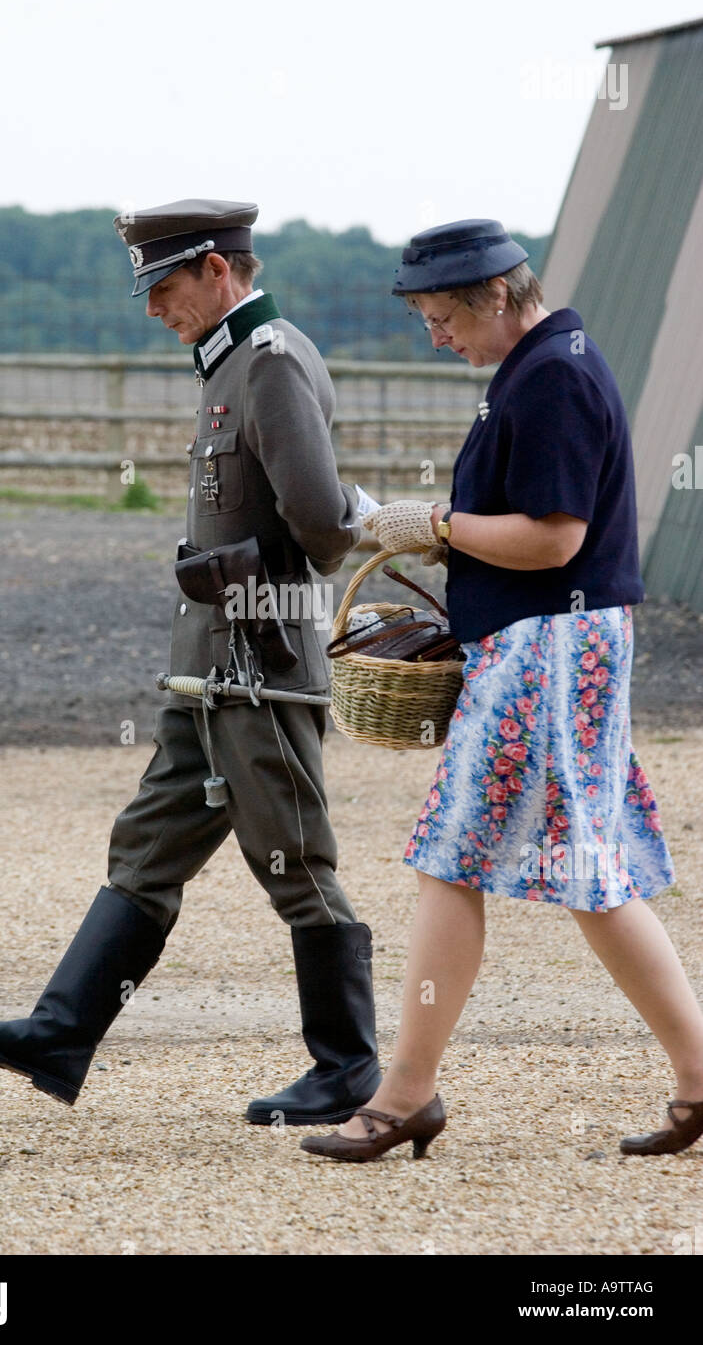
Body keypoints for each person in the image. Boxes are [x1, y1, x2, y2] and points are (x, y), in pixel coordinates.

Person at [0, 199, 380, 1126]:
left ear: (219, 269)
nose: (152, 307)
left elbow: (318, 525)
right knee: (146, 849)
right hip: (213, 668)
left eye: (165, 285)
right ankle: (60, 1035)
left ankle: (348, 1068)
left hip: (260, 664)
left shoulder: (268, 362)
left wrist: (359, 514)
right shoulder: (231, 362)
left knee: (293, 859)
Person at [301, 217, 703, 1162]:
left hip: (546, 647)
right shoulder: (543, 365)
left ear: (494, 296)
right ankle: (698, 1074)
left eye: (442, 316)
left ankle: (405, 1095)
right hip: (564, 642)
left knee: (454, 859)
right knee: (588, 877)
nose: (434, 335)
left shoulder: (551, 374)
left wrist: (431, 524)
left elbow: (552, 539)